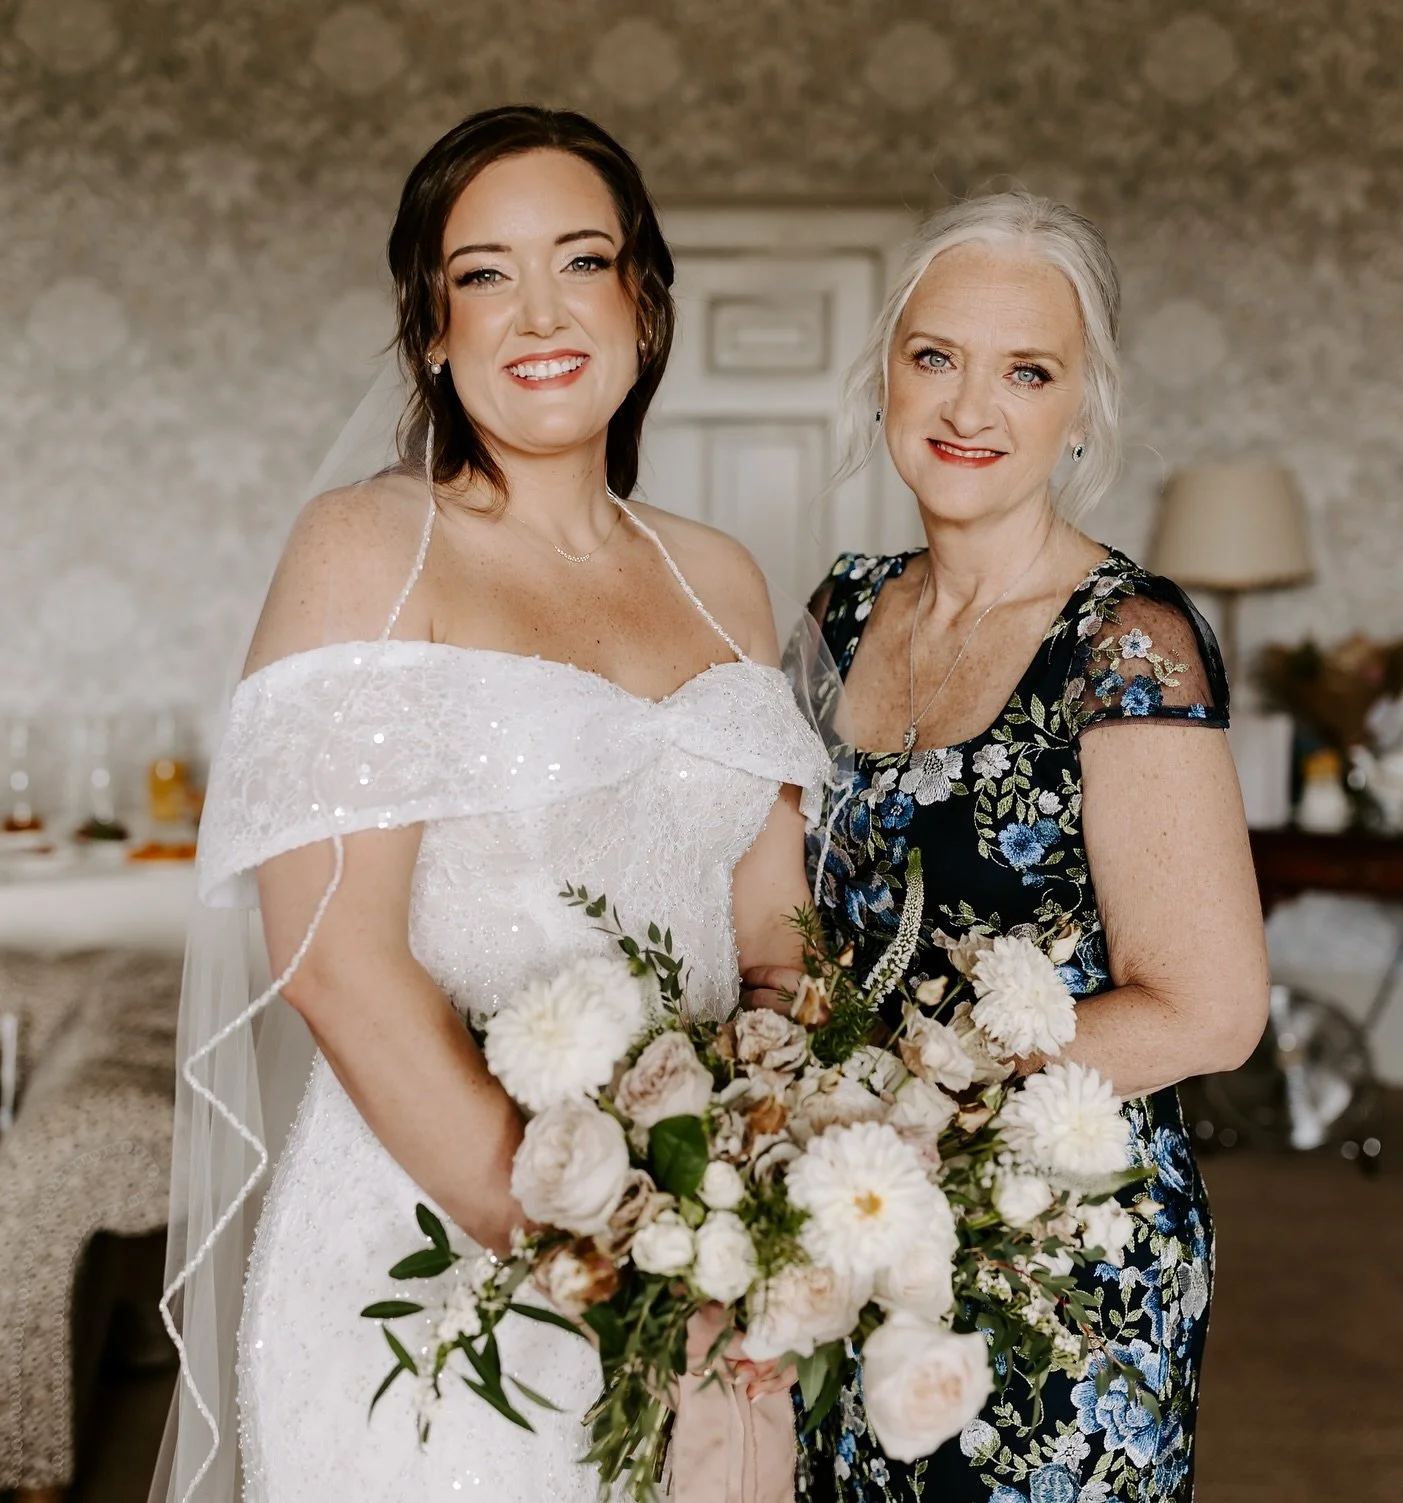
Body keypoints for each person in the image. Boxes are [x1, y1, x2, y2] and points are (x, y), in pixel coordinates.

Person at [154, 106, 825, 1503]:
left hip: (704, 1258)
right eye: (484, 273)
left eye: (582, 260)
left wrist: (751, 1217)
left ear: (644, 302)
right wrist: (605, 1265)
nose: (540, 310)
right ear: (430, 332)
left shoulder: (724, 576)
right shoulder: (369, 547)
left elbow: (775, 933)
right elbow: (333, 959)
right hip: (442, 1255)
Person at [759, 194, 1270, 1501]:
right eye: (935, 356)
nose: (969, 408)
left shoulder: (1127, 639)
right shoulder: (844, 607)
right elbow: (779, 910)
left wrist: (920, 1091)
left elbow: (1210, 1010)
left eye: (1025, 370)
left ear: (1083, 404)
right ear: (885, 374)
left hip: (1062, 1259)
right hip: (854, 1225)